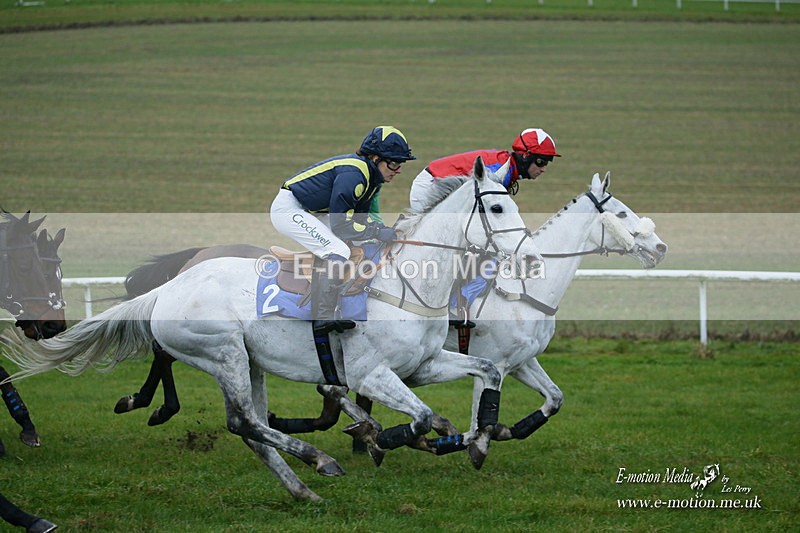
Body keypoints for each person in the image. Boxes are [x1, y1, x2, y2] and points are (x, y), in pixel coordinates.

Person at [270, 126, 415, 335]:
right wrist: (376, 231)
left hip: (314, 211)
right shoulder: (354, 175)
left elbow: (358, 221)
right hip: (289, 209)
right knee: (337, 250)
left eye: (400, 164)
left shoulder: (372, 179)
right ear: (375, 158)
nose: (398, 170)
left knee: (359, 245)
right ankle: (322, 317)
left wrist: (378, 232)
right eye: (393, 163)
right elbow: (342, 225)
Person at [408, 128, 560, 212]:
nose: (544, 168)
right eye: (541, 162)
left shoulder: (508, 168)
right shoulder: (501, 171)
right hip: (430, 186)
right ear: (525, 156)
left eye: (548, 162)